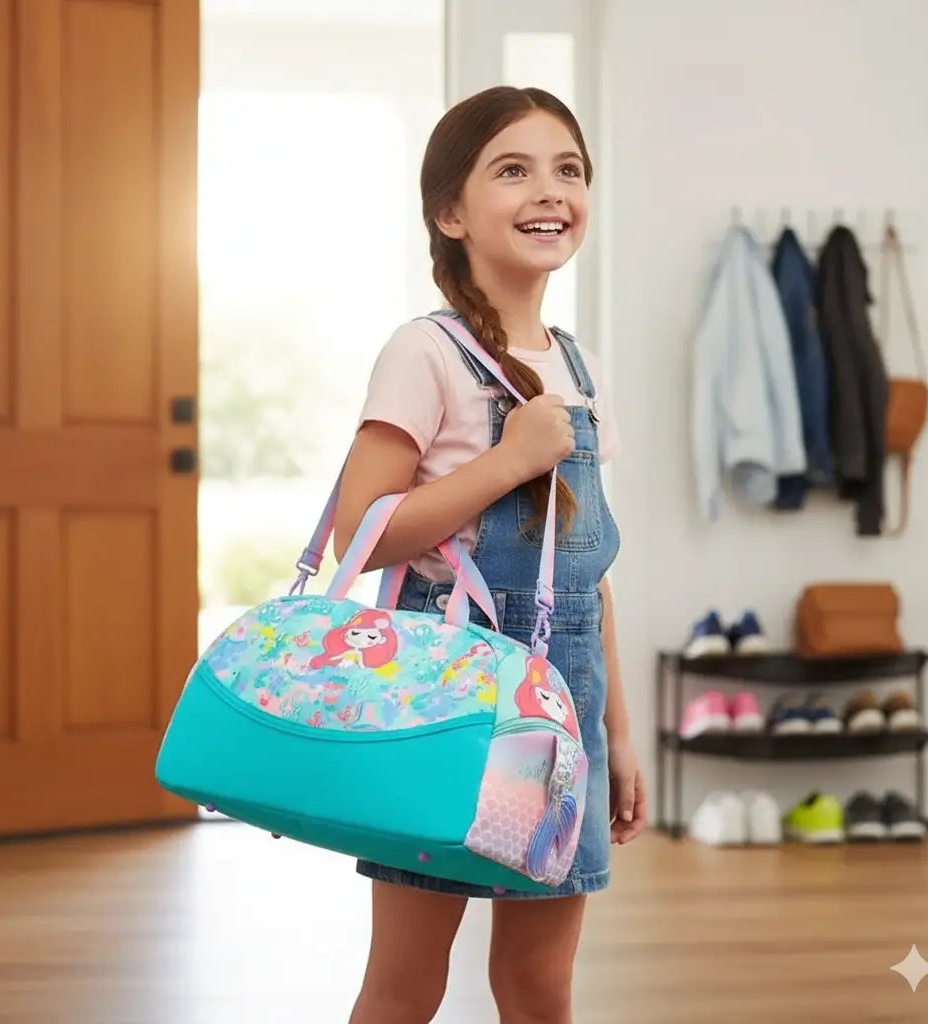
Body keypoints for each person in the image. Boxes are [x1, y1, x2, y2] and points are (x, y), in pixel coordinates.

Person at [334, 85, 646, 1024]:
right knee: (407, 983)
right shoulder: (423, 352)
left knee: (539, 984)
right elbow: (364, 534)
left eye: (569, 169)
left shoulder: (578, 367)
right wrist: (511, 459)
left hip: (565, 711)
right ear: (451, 212)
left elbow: (588, 578)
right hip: (448, 705)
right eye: (513, 169)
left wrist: (618, 735)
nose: (549, 190)